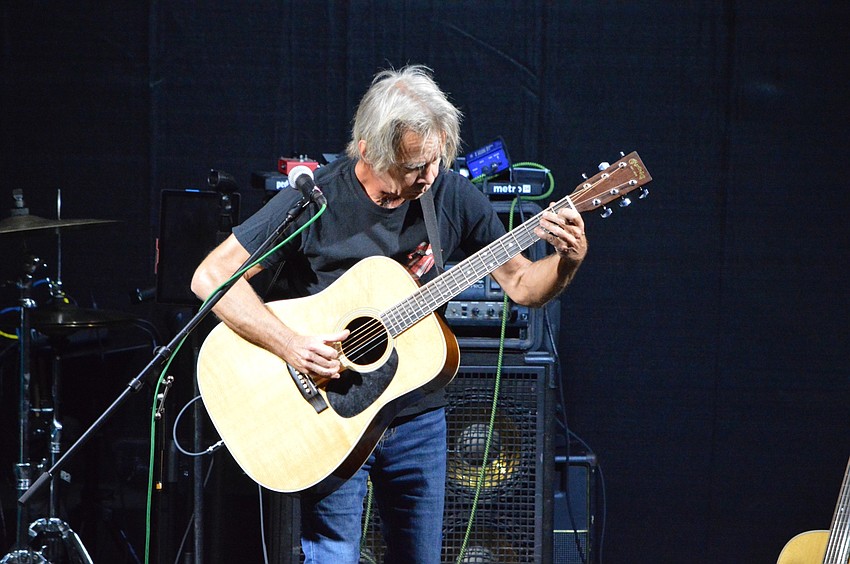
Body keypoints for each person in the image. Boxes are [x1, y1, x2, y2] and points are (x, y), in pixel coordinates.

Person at [191, 64, 587, 564]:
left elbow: (525, 286)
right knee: (333, 556)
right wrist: (291, 344)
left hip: (418, 417)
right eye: (411, 167)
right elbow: (210, 278)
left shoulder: (448, 193)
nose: (426, 178)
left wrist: (567, 259)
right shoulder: (315, 199)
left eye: (435, 162)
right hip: (330, 413)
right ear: (368, 150)